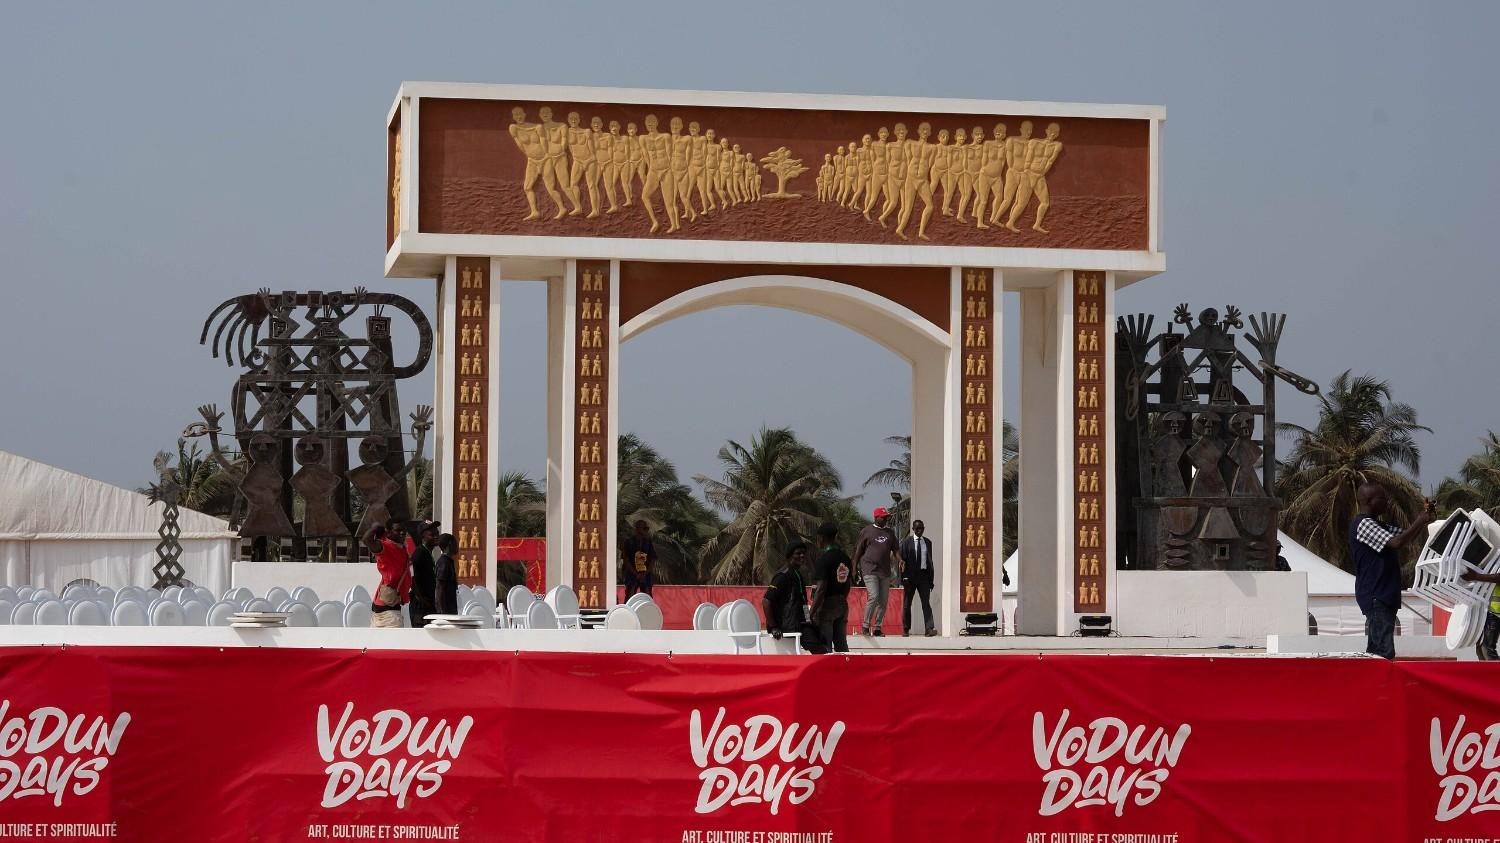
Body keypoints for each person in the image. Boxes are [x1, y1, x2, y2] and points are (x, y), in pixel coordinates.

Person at [1349, 483, 1433, 659]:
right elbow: (1397, 542)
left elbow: (1406, 536)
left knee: (1376, 650)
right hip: (1376, 594)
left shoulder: (1378, 525)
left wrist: (1425, 519)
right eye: (1383, 498)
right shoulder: (1363, 524)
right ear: (1370, 501)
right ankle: (1380, 684)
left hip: (1382, 594)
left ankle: (1372, 683)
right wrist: (1420, 520)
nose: (1387, 502)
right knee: (1383, 651)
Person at [763, 541, 827, 654]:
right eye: (798, 553)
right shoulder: (782, 576)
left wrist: (809, 620)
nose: (802, 556)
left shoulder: (797, 574)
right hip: (789, 625)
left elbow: (803, 602)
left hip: (801, 622)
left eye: (803, 553)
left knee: (822, 639)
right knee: (819, 648)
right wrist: (773, 627)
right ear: (789, 556)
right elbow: (766, 601)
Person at [853, 507, 902, 636]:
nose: (886, 519)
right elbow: (858, 551)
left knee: (883, 601)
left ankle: (877, 628)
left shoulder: (890, 533)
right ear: (876, 517)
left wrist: (900, 560)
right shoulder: (867, 531)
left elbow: (895, 549)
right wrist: (854, 568)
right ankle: (865, 626)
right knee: (873, 596)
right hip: (869, 569)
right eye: (884, 517)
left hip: (885, 571)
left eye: (887, 517)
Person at [810, 522, 853, 653]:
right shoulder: (845, 558)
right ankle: (847, 671)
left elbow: (821, 588)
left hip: (827, 605)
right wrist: (841, 599)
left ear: (821, 538)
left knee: (825, 644)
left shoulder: (824, 559)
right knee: (841, 645)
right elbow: (848, 584)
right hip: (842, 604)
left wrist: (811, 612)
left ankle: (826, 672)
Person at [365, 521, 411, 629]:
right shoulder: (386, 547)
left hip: (389, 606)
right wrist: (375, 528)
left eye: (404, 530)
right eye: (398, 530)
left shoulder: (402, 549)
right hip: (388, 611)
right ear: (389, 532)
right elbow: (367, 540)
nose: (402, 533)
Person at [900, 519, 937, 636]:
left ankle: (929, 628)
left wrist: (931, 580)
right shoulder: (906, 542)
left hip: (923, 577)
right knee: (907, 604)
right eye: (917, 528)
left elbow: (930, 562)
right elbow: (902, 562)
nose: (919, 530)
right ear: (913, 529)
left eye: (921, 528)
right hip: (910, 577)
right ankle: (906, 629)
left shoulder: (928, 542)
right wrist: (903, 578)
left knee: (926, 603)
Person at [1459, 568, 1500, 661]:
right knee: (1481, 649)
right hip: (1487, 611)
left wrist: (1476, 577)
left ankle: (1494, 673)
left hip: (1496, 612)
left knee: (1487, 650)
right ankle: (1486, 674)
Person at [406, 520, 440, 628]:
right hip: (420, 608)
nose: (436, 536)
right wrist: (421, 599)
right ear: (423, 536)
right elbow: (412, 577)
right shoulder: (419, 553)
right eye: (432, 534)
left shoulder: (427, 553)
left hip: (428, 605)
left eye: (437, 534)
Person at [621, 520, 657, 597]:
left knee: (647, 595)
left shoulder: (648, 542)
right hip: (632, 573)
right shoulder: (628, 542)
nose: (645, 531)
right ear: (637, 529)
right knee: (630, 594)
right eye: (643, 528)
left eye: (646, 529)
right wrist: (635, 573)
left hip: (646, 574)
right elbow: (626, 559)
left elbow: (653, 559)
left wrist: (645, 573)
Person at [433, 533, 459, 616]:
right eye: (455, 542)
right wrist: (442, 613)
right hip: (446, 613)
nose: (457, 545)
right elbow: (439, 587)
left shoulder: (448, 561)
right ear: (450, 544)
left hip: (450, 611)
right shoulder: (444, 563)